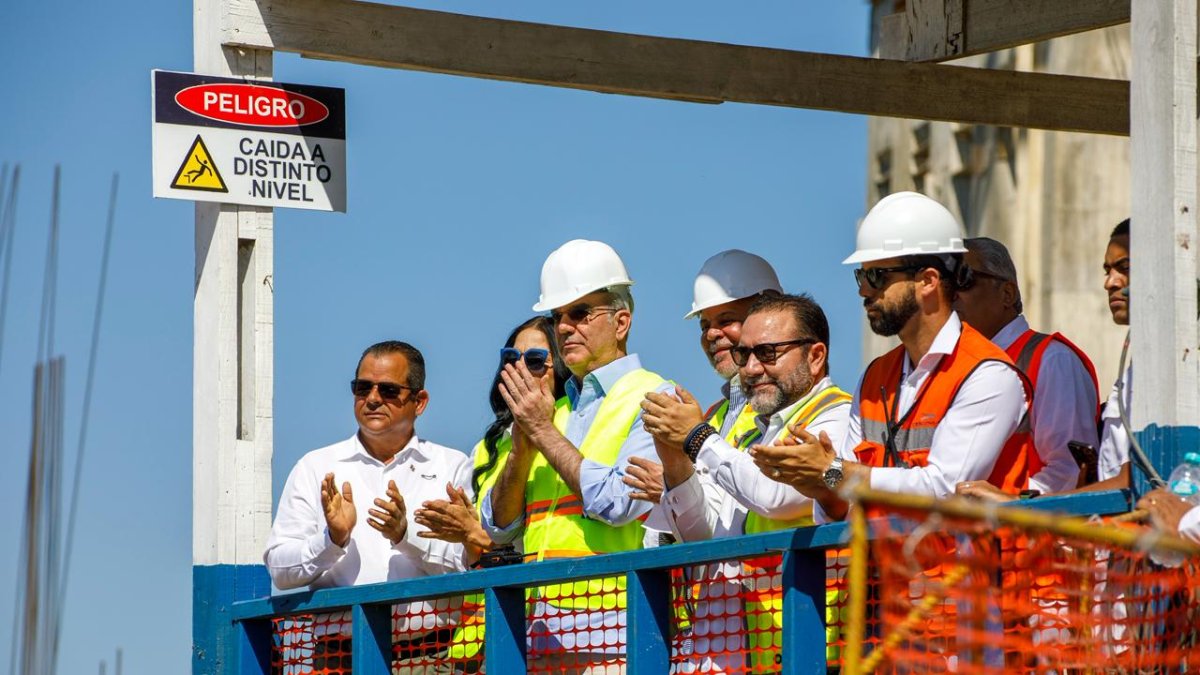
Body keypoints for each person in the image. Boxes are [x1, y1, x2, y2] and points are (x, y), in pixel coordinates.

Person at [753, 191, 1028, 522]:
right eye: (861, 275)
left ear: (927, 281)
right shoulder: (875, 378)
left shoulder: (988, 375)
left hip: (959, 573)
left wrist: (834, 471)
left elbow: (944, 489)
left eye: (876, 276)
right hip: (881, 572)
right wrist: (820, 483)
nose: (863, 291)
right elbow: (846, 505)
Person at [482, 239, 672, 675]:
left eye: (581, 313)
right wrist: (525, 444)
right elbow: (498, 524)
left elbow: (619, 506)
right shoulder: (551, 409)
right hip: (539, 633)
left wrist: (542, 431)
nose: (565, 327)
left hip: (615, 635)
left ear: (621, 321)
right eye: (558, 316)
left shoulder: (654, 396)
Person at [642, 292, 851, 673]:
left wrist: (696, 438)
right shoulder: (757, 431)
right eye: (744, 355)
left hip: (809, 644)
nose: (751, 369)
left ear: (816, 356)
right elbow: (708, 536)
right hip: (748, 647)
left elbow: (776, 497)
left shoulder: (836, 415)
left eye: (768, 353)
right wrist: (675, 462)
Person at [264, 341, 471, 674]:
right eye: (362, 388)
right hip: (338, 660)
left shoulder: (453, 466)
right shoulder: (316, 466)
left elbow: (469, 565)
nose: (373, 399)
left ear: (419, 402)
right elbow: (280, 570)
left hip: (432, 655)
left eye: (388, 390)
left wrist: (406, 536)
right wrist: (332, 539)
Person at [413, 316, 571, 671]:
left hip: (558, 621)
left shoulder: (573, 426)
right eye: (510, 359)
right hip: (488, 627)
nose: (519, 370)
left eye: (533, 361)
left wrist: (473, 532)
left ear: (559, 368)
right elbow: (481, 547)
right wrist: (464, 534)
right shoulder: (487, 448)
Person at [952, 237, 1100, 500]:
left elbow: (1068, 472)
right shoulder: (955, 367)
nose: (952, 296)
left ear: (1007, 294)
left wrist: (1008, 502)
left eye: (964, 280)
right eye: (947, 283)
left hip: (1029, 534)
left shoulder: (1051, 360)